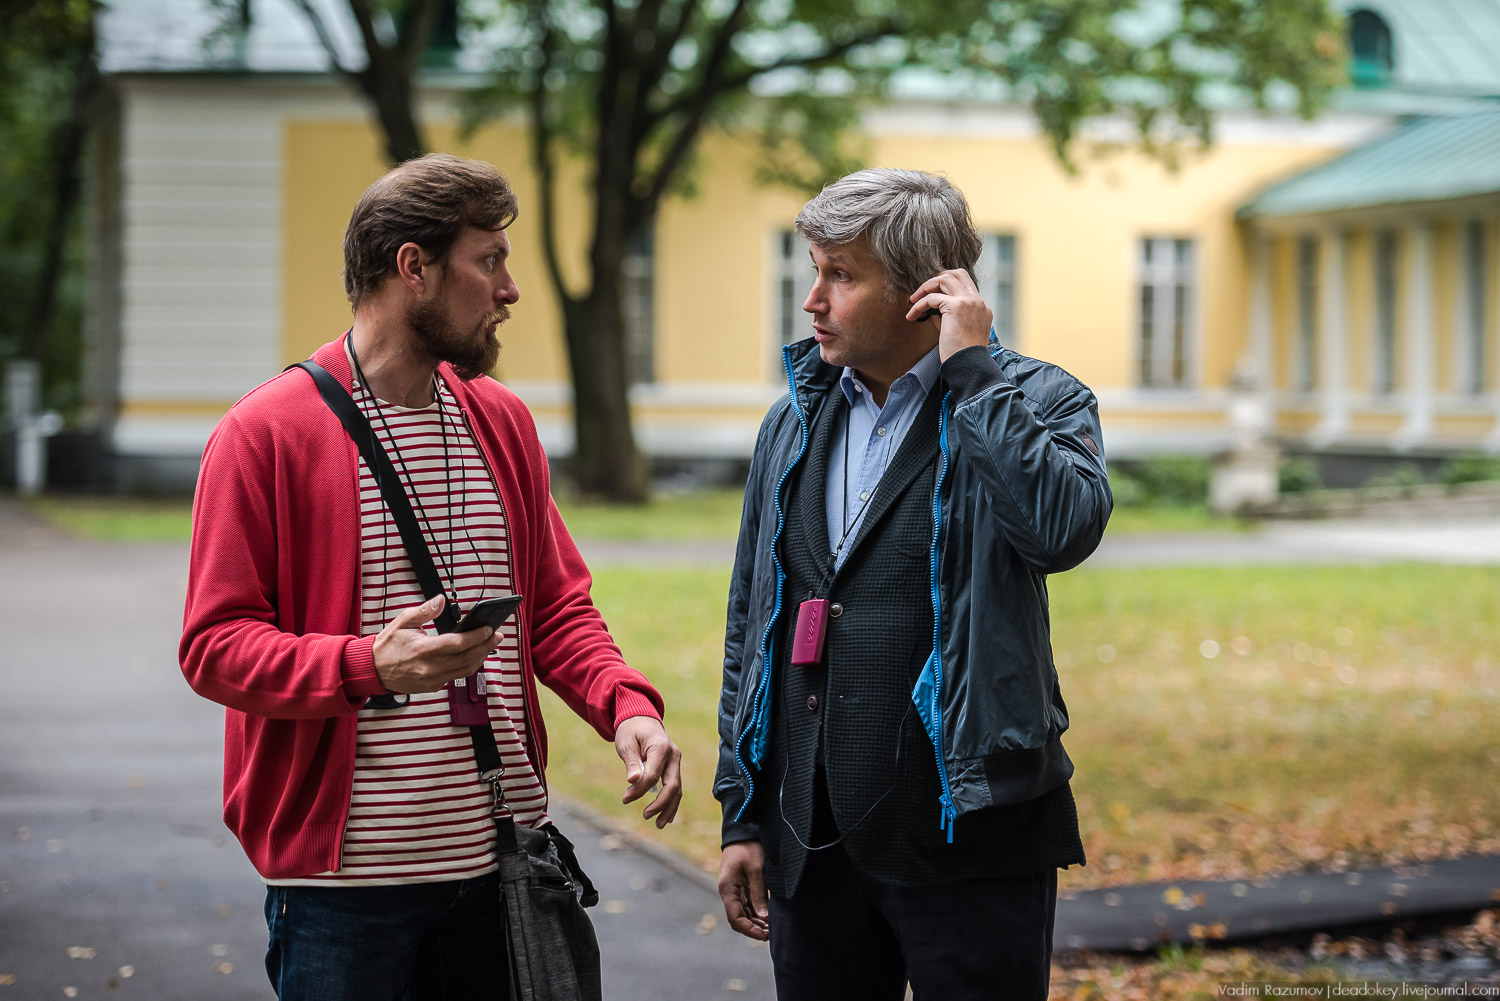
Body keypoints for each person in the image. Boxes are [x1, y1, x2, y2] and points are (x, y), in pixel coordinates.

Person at [180, 153, 683, 1001]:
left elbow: (554, 608)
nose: (510, 288)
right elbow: (215, 648)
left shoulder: (502, 421)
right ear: (413, 268)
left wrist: (623, 705)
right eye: (489, 260)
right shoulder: (265, 434)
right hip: (345, 893)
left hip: (502, 865)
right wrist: (367, 665)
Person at [713, 168, 1111, 1000]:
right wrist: (743, 810)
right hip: (811, 841)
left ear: (926, 292)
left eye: (841, 275)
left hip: (969, 835)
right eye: (812, 270)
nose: (813, 300)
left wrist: (974, 376)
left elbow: (1062, 531)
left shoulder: (1037, 399)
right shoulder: (794, 417)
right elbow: (753, 619)